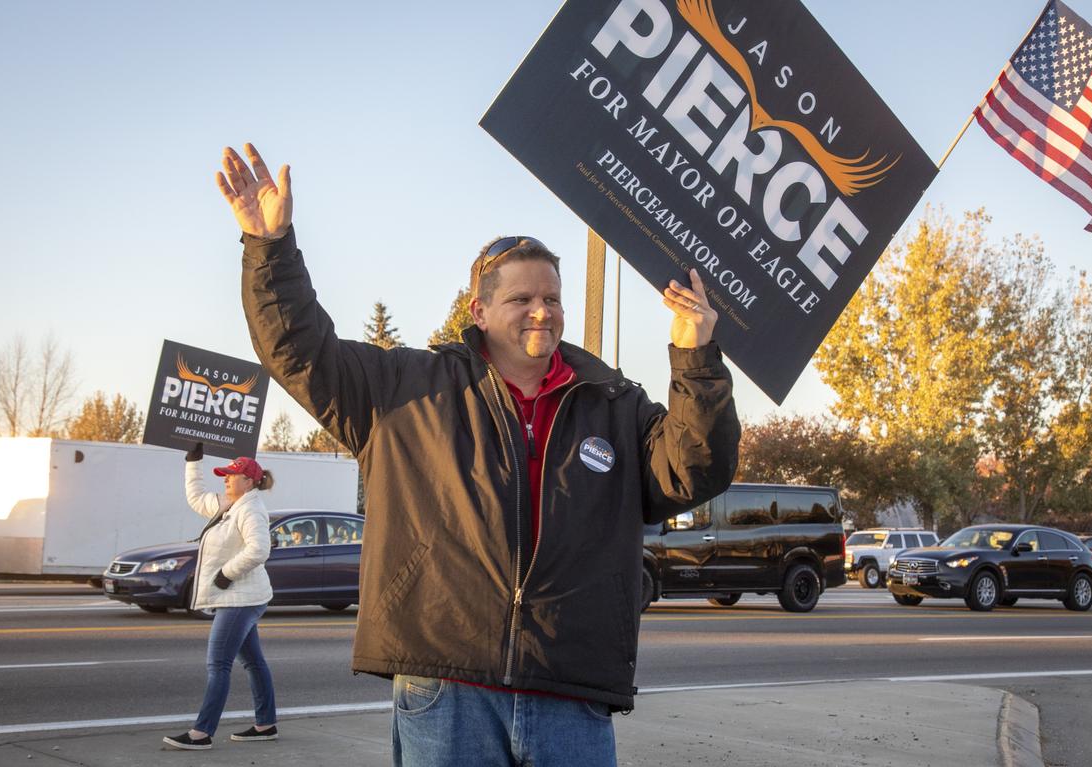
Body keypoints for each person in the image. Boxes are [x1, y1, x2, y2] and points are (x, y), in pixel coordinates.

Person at [216, 143, 740, 766]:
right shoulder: (405, 390)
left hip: (570, 691)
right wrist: (269, 248)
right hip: (446, 687)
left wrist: (695, 355)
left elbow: (696, 468)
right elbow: (301, 351)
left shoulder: (615, 404)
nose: (542, 311)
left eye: (552, 297)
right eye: (521, 299)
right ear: (480, 310)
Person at [162, 445, 279, 751]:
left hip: (241, 597)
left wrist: (227, 573)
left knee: (218, 664)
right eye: (225, 475)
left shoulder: (251, 508)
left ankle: (202, 733)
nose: (226, 480)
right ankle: (266, 724)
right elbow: (196, 497)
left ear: (250, 481)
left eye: (232, 475)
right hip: (240, 596)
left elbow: (259, 549)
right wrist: (193, 463)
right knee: (253, 662)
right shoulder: (228, 504)